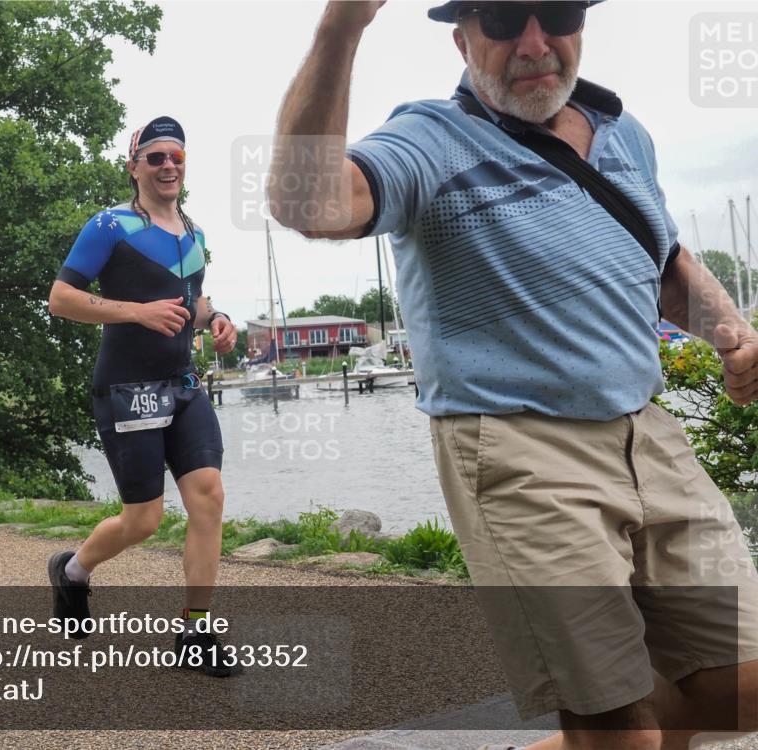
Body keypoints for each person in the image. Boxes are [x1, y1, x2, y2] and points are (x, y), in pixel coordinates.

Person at [268, 2, 758, 748]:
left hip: (650, 438)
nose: (534, 42)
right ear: (463, 39)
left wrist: (733, 333)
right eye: (501, 18)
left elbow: (660, 260)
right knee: (620, 728)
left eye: (554, 11)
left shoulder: (627, 136)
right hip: (519, 450)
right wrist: (342, 29)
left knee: (743, 690)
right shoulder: (433, 138)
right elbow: (309, 202)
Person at [47, 115, 241, 677]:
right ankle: (74, 571)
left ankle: (196, 632)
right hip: (126, 388)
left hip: (182, 384)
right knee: (144, 519)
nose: (167, 165)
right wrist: (136, 311)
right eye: (154, 156)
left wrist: (218, 319)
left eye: (175, 156)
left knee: (208, 495)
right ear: (134, 167)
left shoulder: (194, 232)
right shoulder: (109, 226)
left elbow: (193, 303)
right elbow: (61, 299)